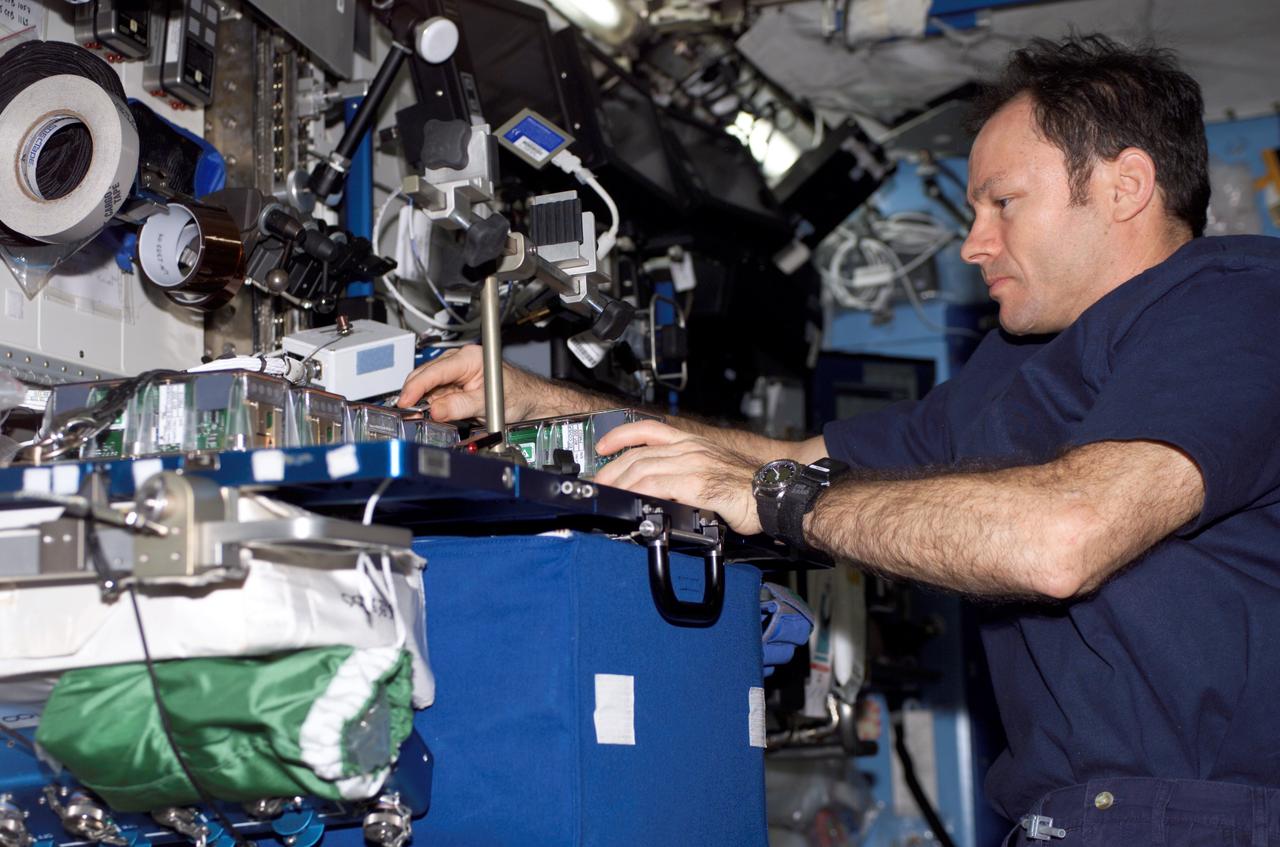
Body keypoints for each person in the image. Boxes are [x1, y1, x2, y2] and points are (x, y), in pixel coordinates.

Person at [399, 33, 1280, 845]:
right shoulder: (1014, 368)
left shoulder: (1234, 304)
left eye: (1004, 203)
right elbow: (787, 462)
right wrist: (542, 399)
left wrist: (776, 502)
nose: (974, 244)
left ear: (1125, 186)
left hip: (1201, 815)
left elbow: (1061, 539)